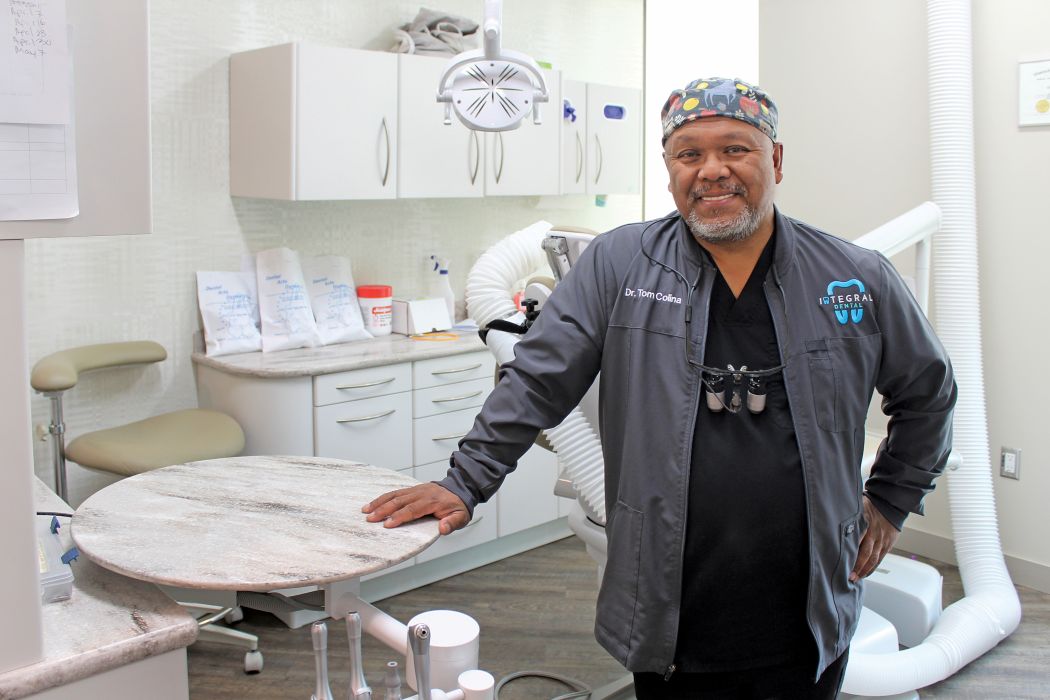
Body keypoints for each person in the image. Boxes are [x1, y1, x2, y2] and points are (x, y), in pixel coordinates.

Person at [363, 77, 957, 699]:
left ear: (775, 159)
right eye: (689, 153)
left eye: (736, 149)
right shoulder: (621, 264)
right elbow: (537, 379)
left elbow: (929, 393)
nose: (712, 171)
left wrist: (891, 498)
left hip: (805, 609)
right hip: (668, 608)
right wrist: (465, 481)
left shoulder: (854, 278)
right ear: (669, 167)